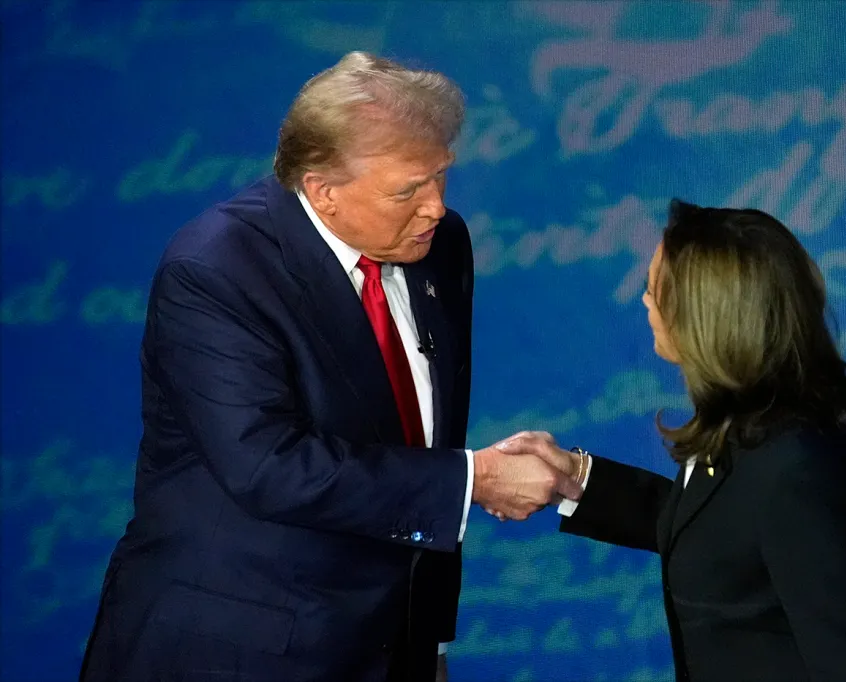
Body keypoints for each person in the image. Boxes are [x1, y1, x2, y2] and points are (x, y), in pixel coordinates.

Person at [79, 52, 580, 682]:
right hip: (241, 649)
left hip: (385, 648)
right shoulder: (216, 270)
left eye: (440, 176)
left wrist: (429, 643)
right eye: (408, 189)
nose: (434, 206)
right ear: (323, 191)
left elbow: (424, 434)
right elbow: (267, 465)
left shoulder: (439, 245)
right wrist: (471, 481)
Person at [502, 200, 846, 681]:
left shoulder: (795, 466)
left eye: (654, 290)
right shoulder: (746, 426)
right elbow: (714, 530)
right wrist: (577, 479)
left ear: (705, 317)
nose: (644, 301)